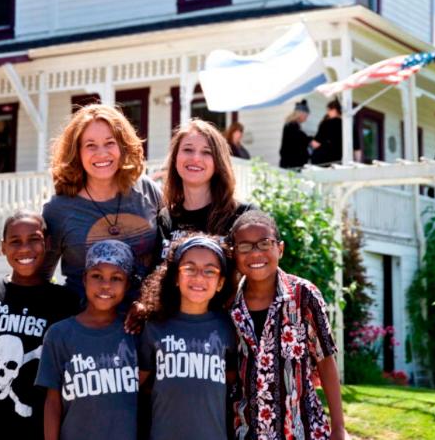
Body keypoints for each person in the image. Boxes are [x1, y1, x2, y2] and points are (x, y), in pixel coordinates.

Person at [0, 211, 78, 440]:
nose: (24, 249)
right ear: (3, 247)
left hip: (35, 430)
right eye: (15, 241)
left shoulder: (64, 302)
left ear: (47, 243)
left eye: (34, 239)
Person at [227, 210, 345, 439]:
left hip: (303, 429)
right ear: (234, 253)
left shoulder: (304, 295)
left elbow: (326, 360)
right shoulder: (231, 305)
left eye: (264, 243)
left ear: (279, 249)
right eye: (245, 246)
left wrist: (339, 427)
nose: (255, 253)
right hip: (248, 431)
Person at [41, 104, 162, 301]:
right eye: (90, 145)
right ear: (76, 152)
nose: (102, 153)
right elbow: (41, 277)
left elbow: (166, 255)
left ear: (123, 146)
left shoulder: (147, 190)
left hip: (145, 322)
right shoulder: (58, 210)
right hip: (85, 323)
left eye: (110, 143)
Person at [37, 240, 139, 440]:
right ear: (84, 279)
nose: (105, 285)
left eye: (116, 278)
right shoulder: (60, 334)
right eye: (97, 276)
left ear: (128, 284)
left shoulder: (135, 331)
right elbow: (52, 401)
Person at [138, 235, 237, 440]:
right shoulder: (154, 326)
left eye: (210, 270)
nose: (199, 277)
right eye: (189, 268)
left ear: (220, 283)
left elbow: (232, 381)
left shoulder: (228, 327)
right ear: (175, 276)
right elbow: (138, 385)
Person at [156, 119, 255, 260]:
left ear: (218, 162)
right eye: (187, 150)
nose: (196, 158)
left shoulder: (243, 215)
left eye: (206, 152)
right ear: (175, 158)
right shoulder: (165, 218)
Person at [311, 99, 361, 165]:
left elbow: (315, 144)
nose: (327, 113)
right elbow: (357, 149)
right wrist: (357, 163)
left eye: (328, 110)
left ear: (334, 110)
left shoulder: (326, 123)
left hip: (323, 162)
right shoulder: (350, 126)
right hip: (342, 163)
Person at [279, 100, 315, 169]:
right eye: (306, 116)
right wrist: (310, 139)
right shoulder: (291, 126)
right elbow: (300, 139)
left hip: (291, 163)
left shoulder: (292, 125)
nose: (306, 118)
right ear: (300, 114)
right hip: (291, 165)